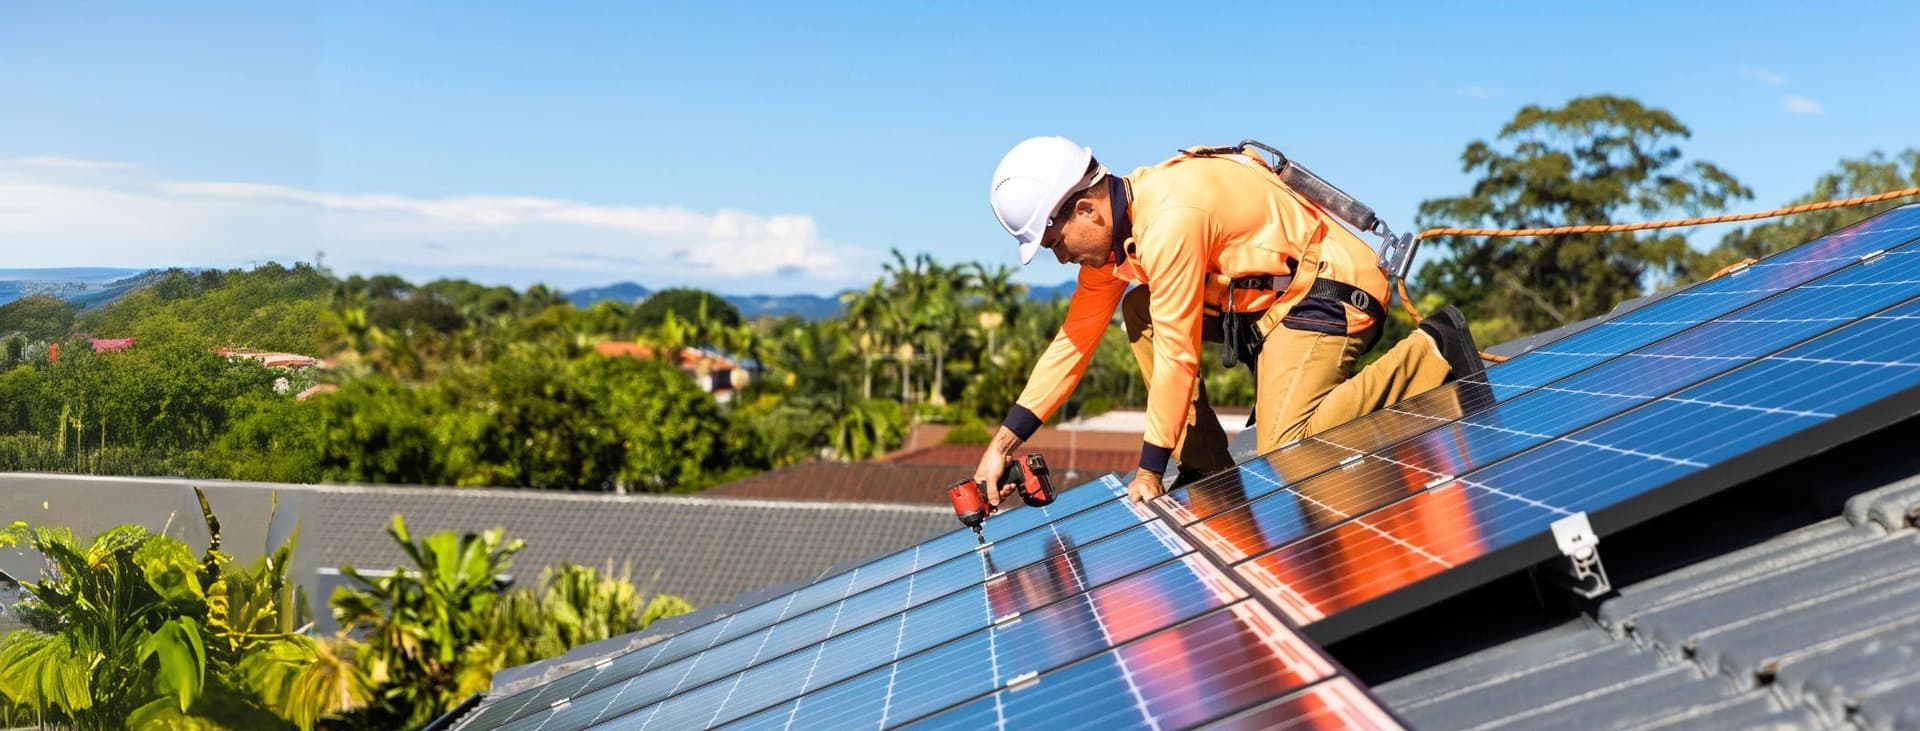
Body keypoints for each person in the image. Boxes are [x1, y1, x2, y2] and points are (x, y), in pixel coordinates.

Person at [974, 136, 1484, 505]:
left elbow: (1178, 352)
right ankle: (1205, 466)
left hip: (1328, 291)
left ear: (1087, 210)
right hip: (1271, 309)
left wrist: (1150, 470)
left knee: (1288, 445)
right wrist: (1002, 445)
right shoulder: (1118, 243)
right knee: (1139, 307)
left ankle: (1433, 349)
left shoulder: (1170, 219)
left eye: (1055, 243)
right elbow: (1073, 342)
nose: (1060, 258)